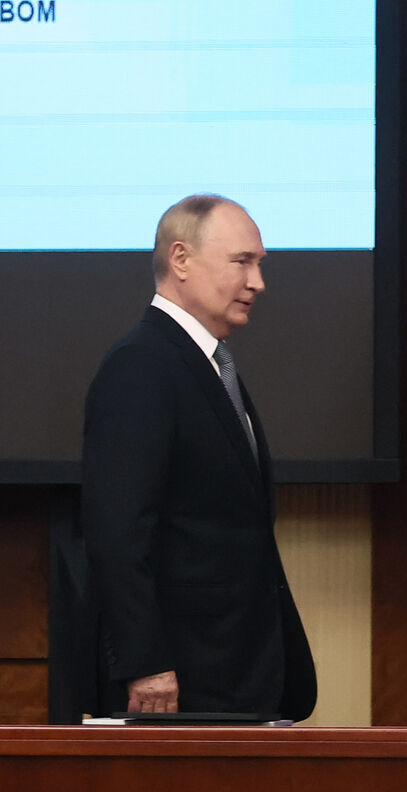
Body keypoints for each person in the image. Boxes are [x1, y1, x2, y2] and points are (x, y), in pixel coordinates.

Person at [81, 194, 316, 719]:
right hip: (179, 682)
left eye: (259, 264)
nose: (258, 282)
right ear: (181, 259)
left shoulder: (209, 362)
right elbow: (117, 531)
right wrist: (145, 661)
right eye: (242, 262)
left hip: (237, 674)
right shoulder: (141, 365)